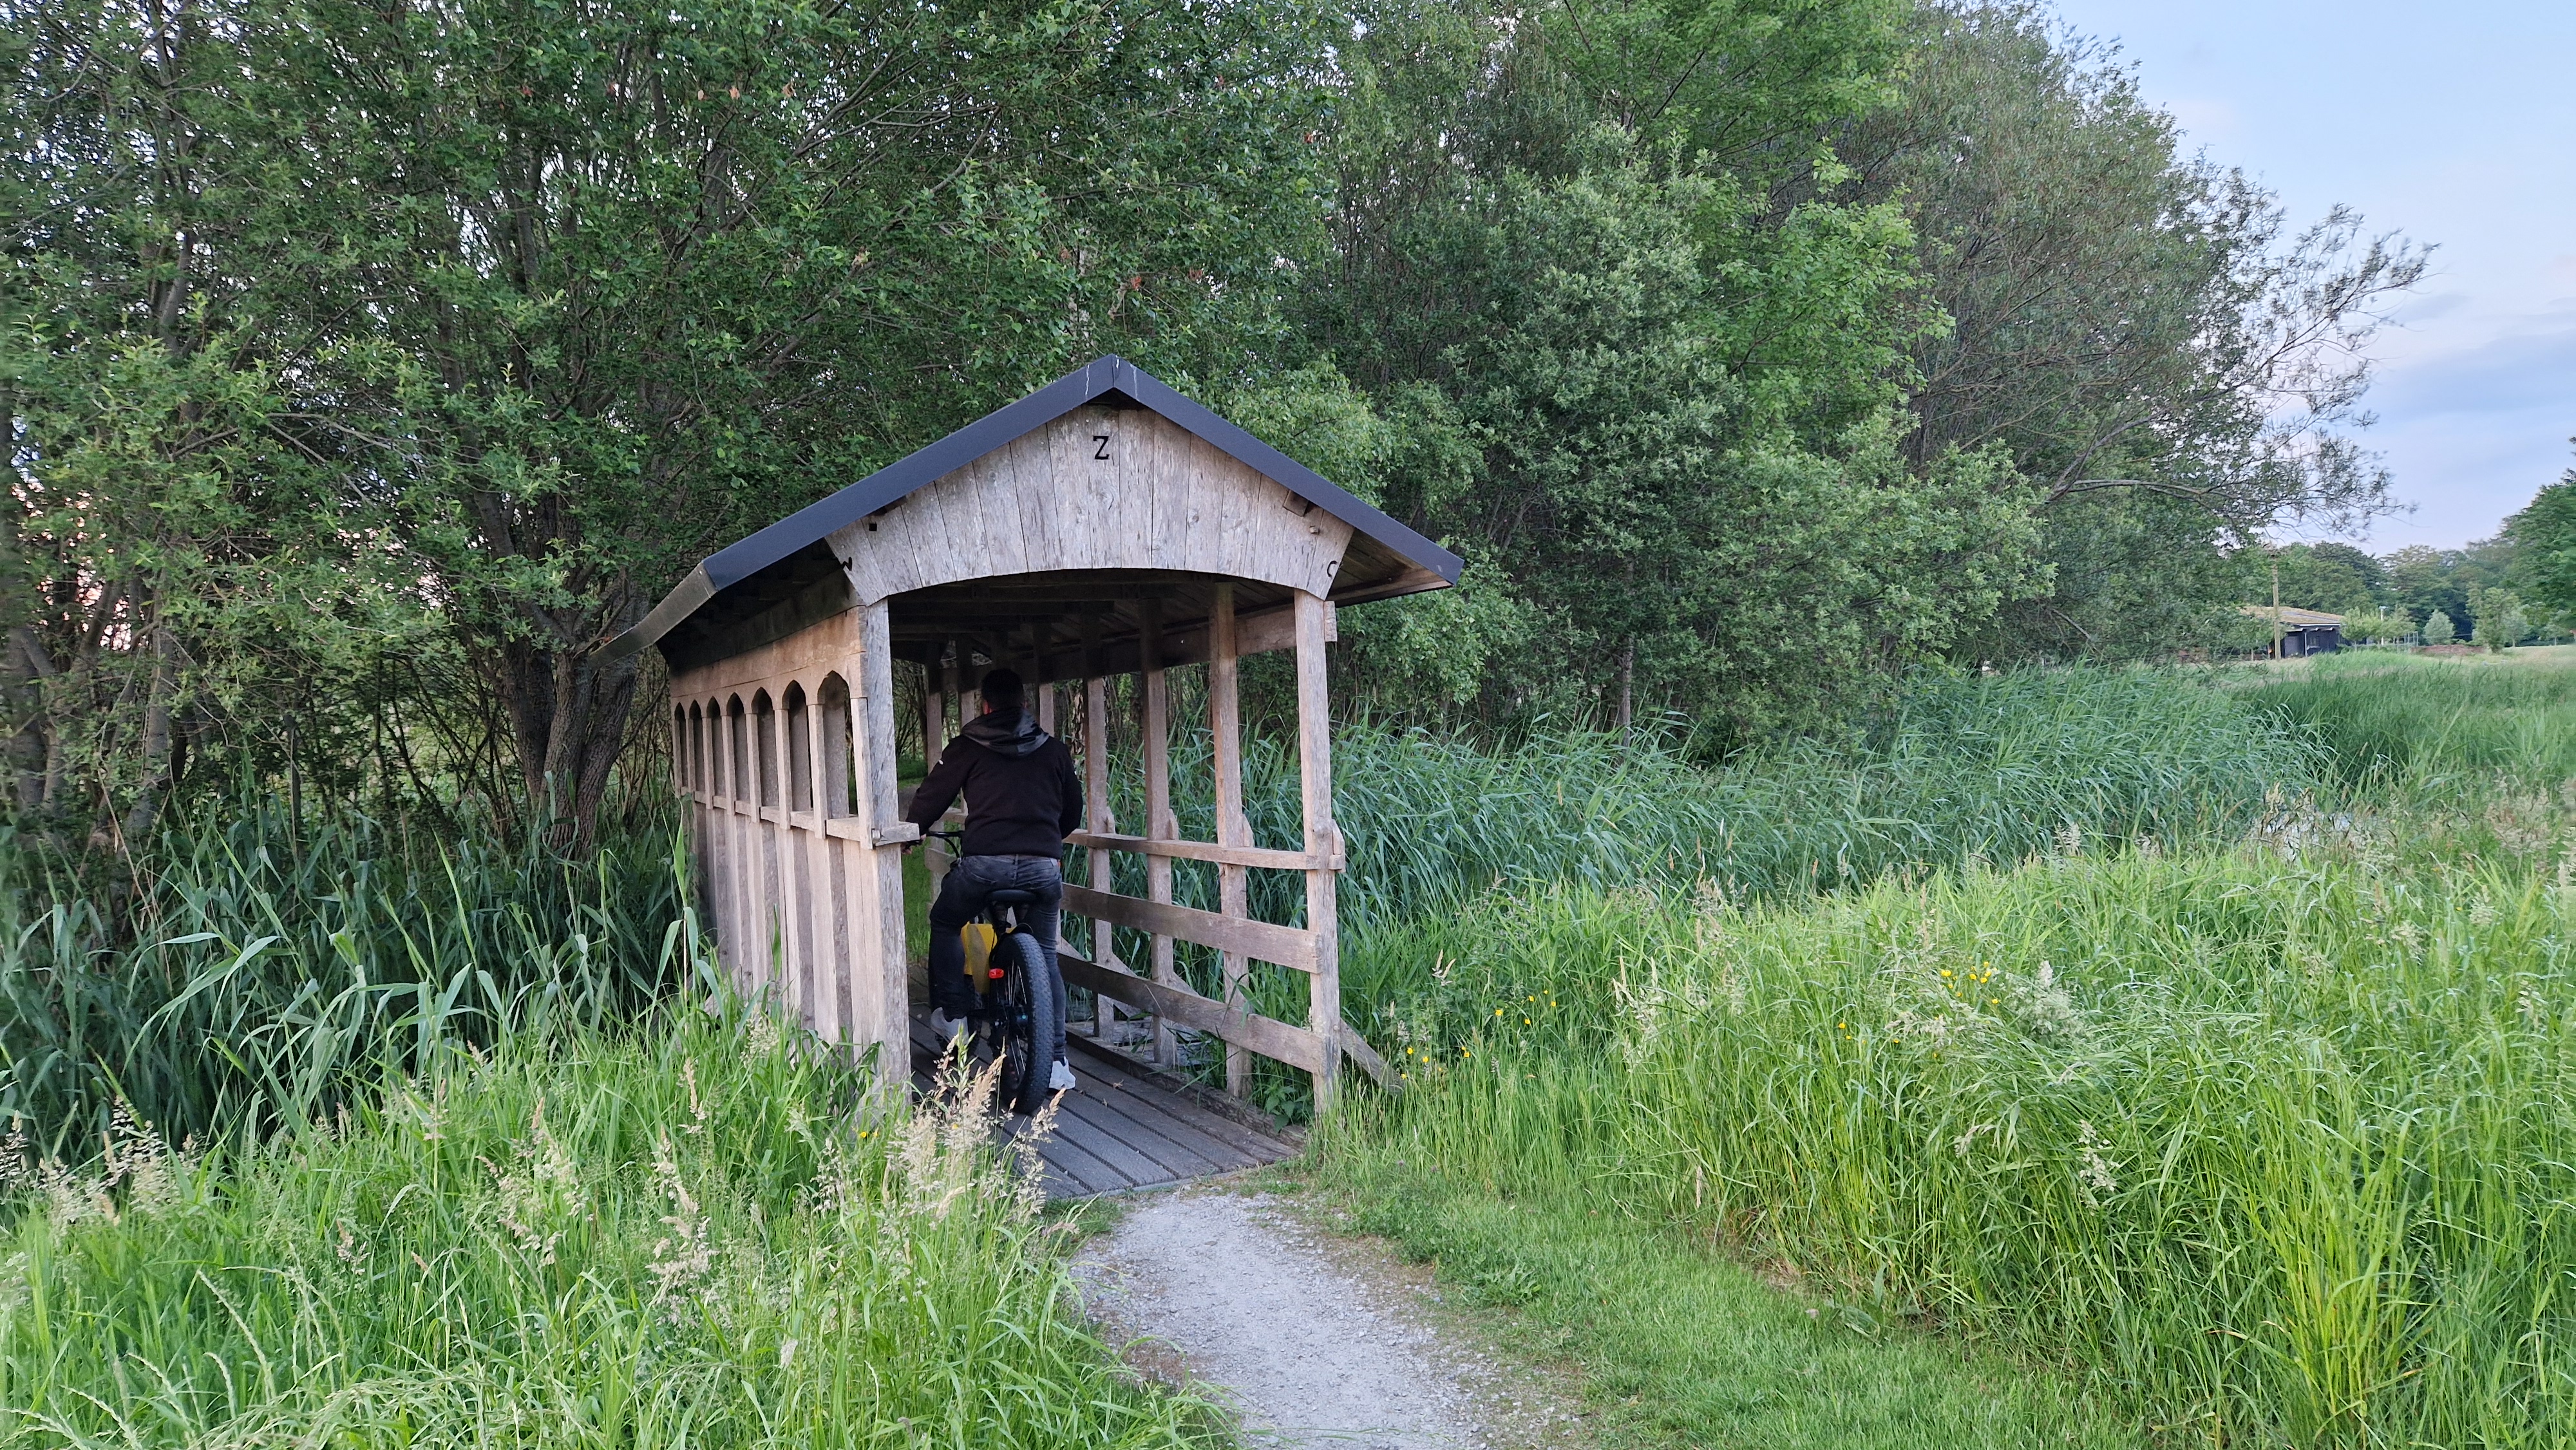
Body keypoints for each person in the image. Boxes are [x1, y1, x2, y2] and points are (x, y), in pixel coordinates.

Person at [904, 667, 1083, 1089]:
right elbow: (1072, 812)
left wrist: (912, 833)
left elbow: (932, 795)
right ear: (1024, 704)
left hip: (985, 866)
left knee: (947, 921)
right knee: (1046, 953)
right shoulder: (1054, 750)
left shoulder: (968, 747)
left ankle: (954, 1017)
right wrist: (1044, 842)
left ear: (985, 706)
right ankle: (1056, 1062)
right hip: (1043, 869)